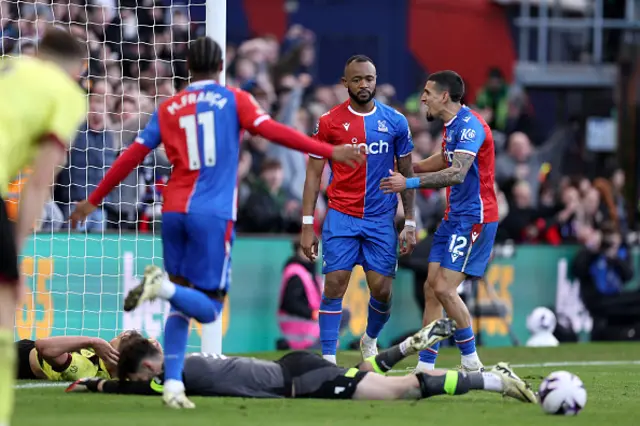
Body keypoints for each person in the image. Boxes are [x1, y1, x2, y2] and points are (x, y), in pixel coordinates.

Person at [70, 36, 363, 410]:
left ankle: (173, 384)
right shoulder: (234, 99)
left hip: (173, 211)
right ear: (221, 66)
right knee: (207, 309)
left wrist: (93, 200)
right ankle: (159, 290)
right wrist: (328, 149)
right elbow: (274, 131)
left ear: (188, 68)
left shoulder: (170, 106)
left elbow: (132, 155)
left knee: (179, 301)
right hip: (212, 214)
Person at [65, 320, 536, 404]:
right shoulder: (180, 358)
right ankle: (407, 346)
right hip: (296, 368)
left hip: (300, 379)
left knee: (403, 390)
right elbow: (134, 381)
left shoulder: (173, 374)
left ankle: (490, 380)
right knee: (370, 376)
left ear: (147, 370)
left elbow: (131, 388)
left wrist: (95, 386)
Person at [300, 55, 417, 365]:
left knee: (382, 291)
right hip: (342, 215)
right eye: (357, 79)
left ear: (375, 80)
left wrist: (410, 221)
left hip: (381, 220)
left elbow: (406, 174)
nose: (364, 84)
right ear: (345, 83)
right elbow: (313, 174)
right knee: (335, 282)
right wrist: (307, 224)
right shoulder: (328, 122)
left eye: (369, 78)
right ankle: (327, 359)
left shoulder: (396, 122)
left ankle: (370, 339)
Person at [380, 71, 498, 373]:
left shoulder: (471, 127)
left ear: (444, 96)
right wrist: (410, 168)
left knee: (445, 288)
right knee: (431, 289)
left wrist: (409, 182)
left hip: (475, 218)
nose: (422, 98)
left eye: (428, 93)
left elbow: (457, 172)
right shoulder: (452, 125)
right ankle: (425, 364)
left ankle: (471, 360)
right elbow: (445, 160)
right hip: (453, 217)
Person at [0, 27, 87, 426]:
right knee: (5, 311)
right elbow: (38, 182)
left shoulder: (9, 67)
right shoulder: (67, 95)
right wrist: (14, 250)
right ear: (78, 69)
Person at [15, 331, 159, 381]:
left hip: (17, 362)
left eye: (123, 339)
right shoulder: (102, 358)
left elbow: (42, 346)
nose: (122, 334)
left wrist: (92, 341)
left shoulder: (87, 369)